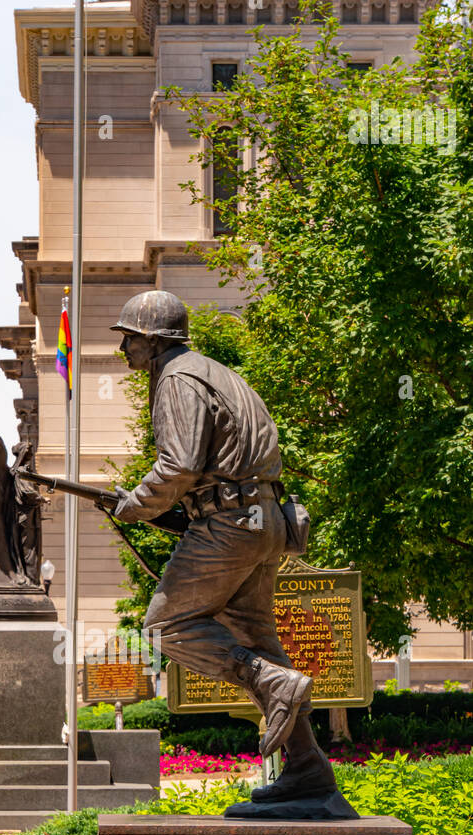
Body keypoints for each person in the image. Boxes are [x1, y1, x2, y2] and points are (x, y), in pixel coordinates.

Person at [110, 290, 336, 803]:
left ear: (152, 338)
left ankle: (272, 686)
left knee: (166, 626)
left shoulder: (176, 378)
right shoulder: (215, 371)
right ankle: (308, 771)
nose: (123, 348)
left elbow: (181, 464)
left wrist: (138, 505)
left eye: (128, 337)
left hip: (231, 523)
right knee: (260, 647)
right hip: (264, 521)